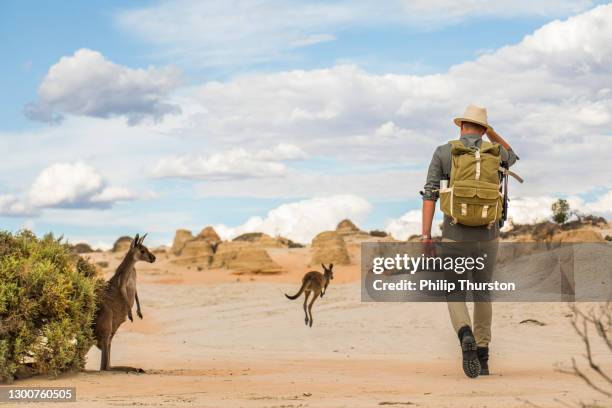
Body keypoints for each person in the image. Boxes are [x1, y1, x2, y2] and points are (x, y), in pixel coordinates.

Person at [420, 104, 518, 378]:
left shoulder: (444, 151)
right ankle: (484, 356)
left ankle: (465, 334)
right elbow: (515, 156)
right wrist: (493, 133)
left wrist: (426, 235)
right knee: (482, 292)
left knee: (455, 291)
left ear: (461, 126)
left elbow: (430, 194)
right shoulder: (496, 152)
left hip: (454, 233)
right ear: (484, 129)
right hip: (488, 235)